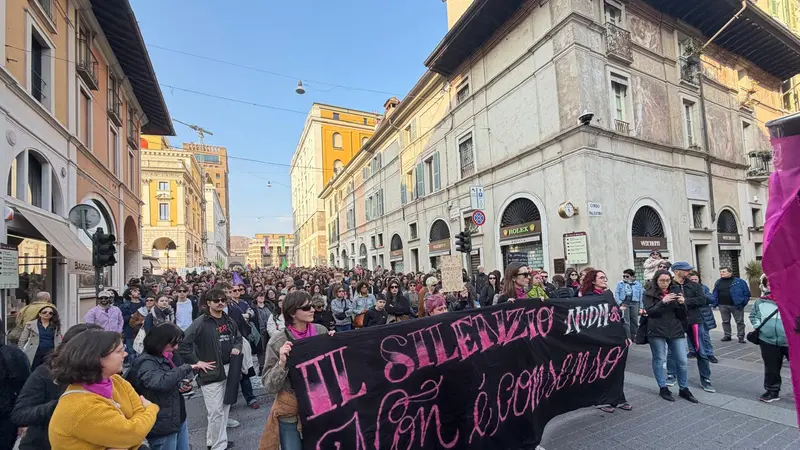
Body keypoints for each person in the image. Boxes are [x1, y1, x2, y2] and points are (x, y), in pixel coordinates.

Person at [48, 330, 160, 449]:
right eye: (119, 351)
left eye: (124, 348)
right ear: (95, 358)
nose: (125, 354)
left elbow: (138, 412)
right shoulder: (83, 406)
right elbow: (133, 433)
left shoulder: (116, 380)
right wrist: (151, 409)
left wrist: (129, 437)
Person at [259, 291, 332, 450]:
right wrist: (281, 363)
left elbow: (333, 369)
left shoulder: (321, 332)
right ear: (292, 312)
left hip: (319, 404)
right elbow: (269, 385)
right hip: (291, 407)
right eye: (306, 307)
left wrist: (334, 344)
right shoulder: (278, 341)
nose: (312, 309)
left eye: (312, 305)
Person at [11, 324, 102, 450]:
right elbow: (21, 414)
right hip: (43, 444)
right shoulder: (46, 372)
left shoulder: (108, 376)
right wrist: (60, 405)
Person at [128, 323, 216, 450]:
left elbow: (170, 379)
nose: (176, 347)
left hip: (177, 418)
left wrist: (182, 385)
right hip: (161, 425)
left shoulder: (168, 357)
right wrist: (187, 367)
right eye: (173, 344)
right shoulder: (145, 362)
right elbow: (160, 382)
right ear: (160, 342)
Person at [179, 289, 243, 450]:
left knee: (225, 407)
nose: (220, 302)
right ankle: (217, 446)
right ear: (208, 303)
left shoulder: (228, 320)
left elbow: (238, 337)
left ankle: (215, 441)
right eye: (216, 300)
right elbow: (183, 344)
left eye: (223, 300)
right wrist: (196, 362)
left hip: (230, 368)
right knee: (215, 412)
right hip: (211, 372)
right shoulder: (200, 322)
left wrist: (236, 347)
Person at [643, 270, 698, 403]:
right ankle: (663, 387)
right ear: (656, 280)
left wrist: (681, 303)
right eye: (662, 280)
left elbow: (683, 314)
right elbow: (650, 312)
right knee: (659, 359)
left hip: (675, 330)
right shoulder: (648, 293)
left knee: (682, 361)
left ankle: (684, 388)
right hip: (656, 331)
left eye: (667, 280)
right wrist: (663, 301)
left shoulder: (676, 291)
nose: (665, 283)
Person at [581, 269, 632, 412]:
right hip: (599, 339)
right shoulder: (588, 298)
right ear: (593, 281)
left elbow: (618, 318)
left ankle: (618, 398)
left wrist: (626, 336)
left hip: (615, 338)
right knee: (601, 369)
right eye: (601, 278)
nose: (605, 280)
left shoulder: (608, 295)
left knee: (617, 369)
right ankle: (601, 400)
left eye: (605, 277)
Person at [749, 275, 788, 403]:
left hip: (791, 342)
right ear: (766, 286)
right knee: (771, 367)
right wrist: (758, 327)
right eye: (770, 283)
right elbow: (753, 315)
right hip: (768, 340)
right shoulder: (761, 301)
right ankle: (772, 391)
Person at [0, 323, 30, 450]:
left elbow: (25, 389)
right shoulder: (13, 355)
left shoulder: (12, 355)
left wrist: (23, 421)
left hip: (6, 417)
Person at [713, 266, 751, 343]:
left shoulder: (739, 282)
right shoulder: (718, 282)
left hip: (736, 305)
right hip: (722, 305)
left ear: (730, 272)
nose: (721, 273)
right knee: (725, 321)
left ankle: (741, 336)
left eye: (724, 271)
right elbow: (715, 292)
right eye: (720, 272)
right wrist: (714, 302)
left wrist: (743, 302)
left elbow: (746, 293)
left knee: (739, 322)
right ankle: (727, 335)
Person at [17, 305, 62, 370]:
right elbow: (22, 339)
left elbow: (58, 340)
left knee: (49, 371)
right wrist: (20, 352)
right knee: (33, 370)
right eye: (44, 312)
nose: (47, 314)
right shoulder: (30, 325)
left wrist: (59, 352)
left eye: (50, 313)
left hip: (50, 352)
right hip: (35, 352)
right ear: (39, 314)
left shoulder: (55, 325)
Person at [688, 272, 718, 363]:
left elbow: (712, 299)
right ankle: (692, 351)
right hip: (691, 315)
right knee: (690, 335)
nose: (694, 281)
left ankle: (709, 353)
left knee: (705, 336)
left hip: (703, 315)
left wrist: (702, 296)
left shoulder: (703, 288)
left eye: (695, 279)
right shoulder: (686, 289)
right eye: (692, 280)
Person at [614, 269, 644, 340]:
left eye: (627, 276)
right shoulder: (620, 284)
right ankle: (628, 337)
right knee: (626, 321)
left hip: (634, 303)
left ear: (632, 277)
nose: (625, 278)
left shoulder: (638, 284)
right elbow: (616, 293)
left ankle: (634, 336)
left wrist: (641, 307)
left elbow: (641, 296)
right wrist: (619, 302)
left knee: (634, 320)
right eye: (623, 276)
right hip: (624, 303)